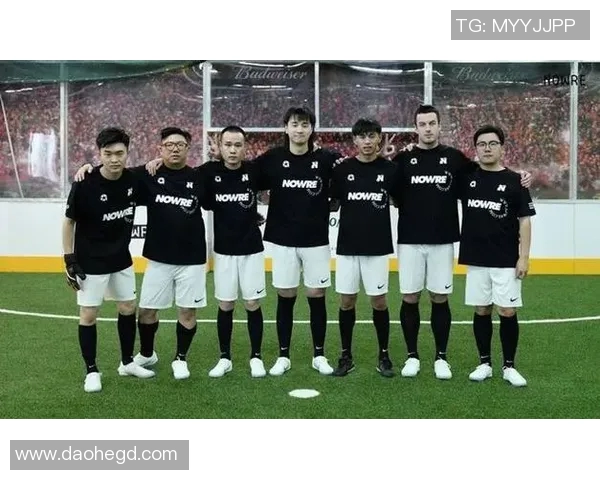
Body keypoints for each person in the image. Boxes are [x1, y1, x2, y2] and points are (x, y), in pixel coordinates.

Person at [391, 104, 532, 380]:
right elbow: (389, 190)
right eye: (422, 124)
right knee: (410, 297)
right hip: (409, 240)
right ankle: (412, 357)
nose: (428, 129)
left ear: (439, 126)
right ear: (415, 128)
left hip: (443, 241)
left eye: (432, 123)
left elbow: (490, 171)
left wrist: (521, 175)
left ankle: (441, 358)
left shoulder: (455, 159)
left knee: (439, 297)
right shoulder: (403, 160)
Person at [74, 127, 210, 380]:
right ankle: (147, 353)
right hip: (158, 258)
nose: (175, 149)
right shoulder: (147, 175)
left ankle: (181, 358)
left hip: (192, 258)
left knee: (188, 312)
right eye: (169, 145)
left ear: (188, 148)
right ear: (160, 149)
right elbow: (113, 170)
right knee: (146, 312)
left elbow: (222, 200)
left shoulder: (200, 177)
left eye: (180, 144)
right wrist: (88, 167)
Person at [146, 126, 267, 378]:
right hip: (222, 250)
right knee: (225, 304)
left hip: (252, 250)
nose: (232, 150)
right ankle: (225, 358)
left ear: (245, 148)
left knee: (252, 303)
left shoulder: (255, 170)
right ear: (219, 147)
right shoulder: (207, 173)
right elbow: (178, 171)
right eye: (228, 145)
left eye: (237, 145)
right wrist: (159, 162)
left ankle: (256, 357)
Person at [63, 128, 154, 393]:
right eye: (108, 153)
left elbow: (157, 169)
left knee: (128, 307)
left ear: (127, 153)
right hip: (90, 261)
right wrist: (69, 259)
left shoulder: (134, 179)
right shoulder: (85, 182)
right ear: (99, 153)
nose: (114, 159)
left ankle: (127, 362)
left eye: (119, 153)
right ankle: (91, 371)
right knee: (89, 314)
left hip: (121, 258)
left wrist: (158, 160)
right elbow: (68, 222)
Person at [253, 107, 343, 376]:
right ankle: (283, 356)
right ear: (286, 128)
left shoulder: (327, 159)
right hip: (282, 240)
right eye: (295, 124)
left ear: (312, 129)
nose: (300, 129)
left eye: (305, 125)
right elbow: (243, 177)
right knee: (286, 296)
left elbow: (351, 174)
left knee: (317, 295)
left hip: (316, 240)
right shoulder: (272, 158)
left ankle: (319, 355)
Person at [458, 125, 535, 387]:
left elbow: (525, 220)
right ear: (475, 149)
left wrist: (523, 257)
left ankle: (509, 366)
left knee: (507, 310)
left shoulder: (516, 181)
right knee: (481, 309)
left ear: (502, 148)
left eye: (493, 143)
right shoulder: (467, 178)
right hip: (476, 257)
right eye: (482, 144)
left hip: (505, 258)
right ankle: (484, 364)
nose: (487, 148)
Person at [328, 119, 398, 377]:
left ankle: (384, 355)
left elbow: (402, 200)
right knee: (347, 301)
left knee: (379, 302)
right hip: (348, 247)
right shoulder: (342, 169)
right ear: (354, 140)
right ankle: (346, 356)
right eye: (362, 137)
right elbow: (332, 204)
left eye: (371, 136)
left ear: (379, 138)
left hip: (377, 247)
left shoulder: (391, 170)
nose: (367, 141)